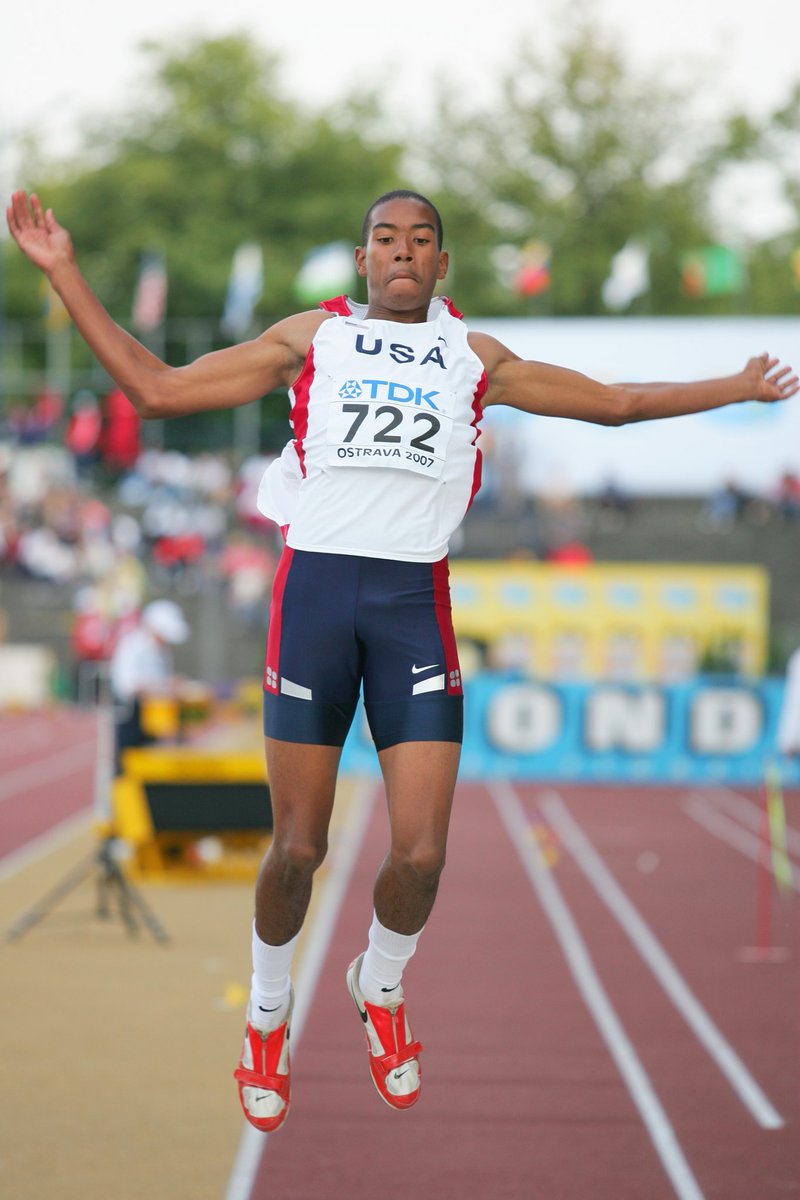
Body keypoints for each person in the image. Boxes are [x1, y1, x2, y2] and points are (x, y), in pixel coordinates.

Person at [7, 187, 798, 1132]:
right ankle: (267, 1015)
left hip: (411, 607)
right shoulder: (313, 339)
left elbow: (618, 404)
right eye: (387, 239)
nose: (404, 254)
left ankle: (378, 987)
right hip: (315, 601)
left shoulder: (477, 357)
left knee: (421, 852)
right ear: (362, 257)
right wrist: (63, 272)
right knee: (298, 845)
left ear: (442, 265)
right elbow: (158, 389)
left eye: (422, 241)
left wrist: (736, 388)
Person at [109, 598, 190, 773]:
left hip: (152, 717)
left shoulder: (162, 652)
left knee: (150, 767)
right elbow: (127, 686)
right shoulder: (132, 645)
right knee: (127, 768)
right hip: (131, 716)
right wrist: (164, 686)